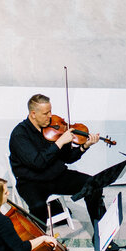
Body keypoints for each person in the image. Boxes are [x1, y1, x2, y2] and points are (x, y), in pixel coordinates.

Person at [9, 93, 105, 226]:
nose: (50, 116)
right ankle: (42, 243)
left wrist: (84, 146)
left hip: (56, 176)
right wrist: (59, 142)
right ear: (33, 114)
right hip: (31, 181)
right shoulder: (20, 135)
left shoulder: (53, 128)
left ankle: (102, 234)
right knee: (38, 207)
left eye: (50, 111)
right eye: (45, 113)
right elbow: (38, 163)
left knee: (94, 186)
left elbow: (68, 158)